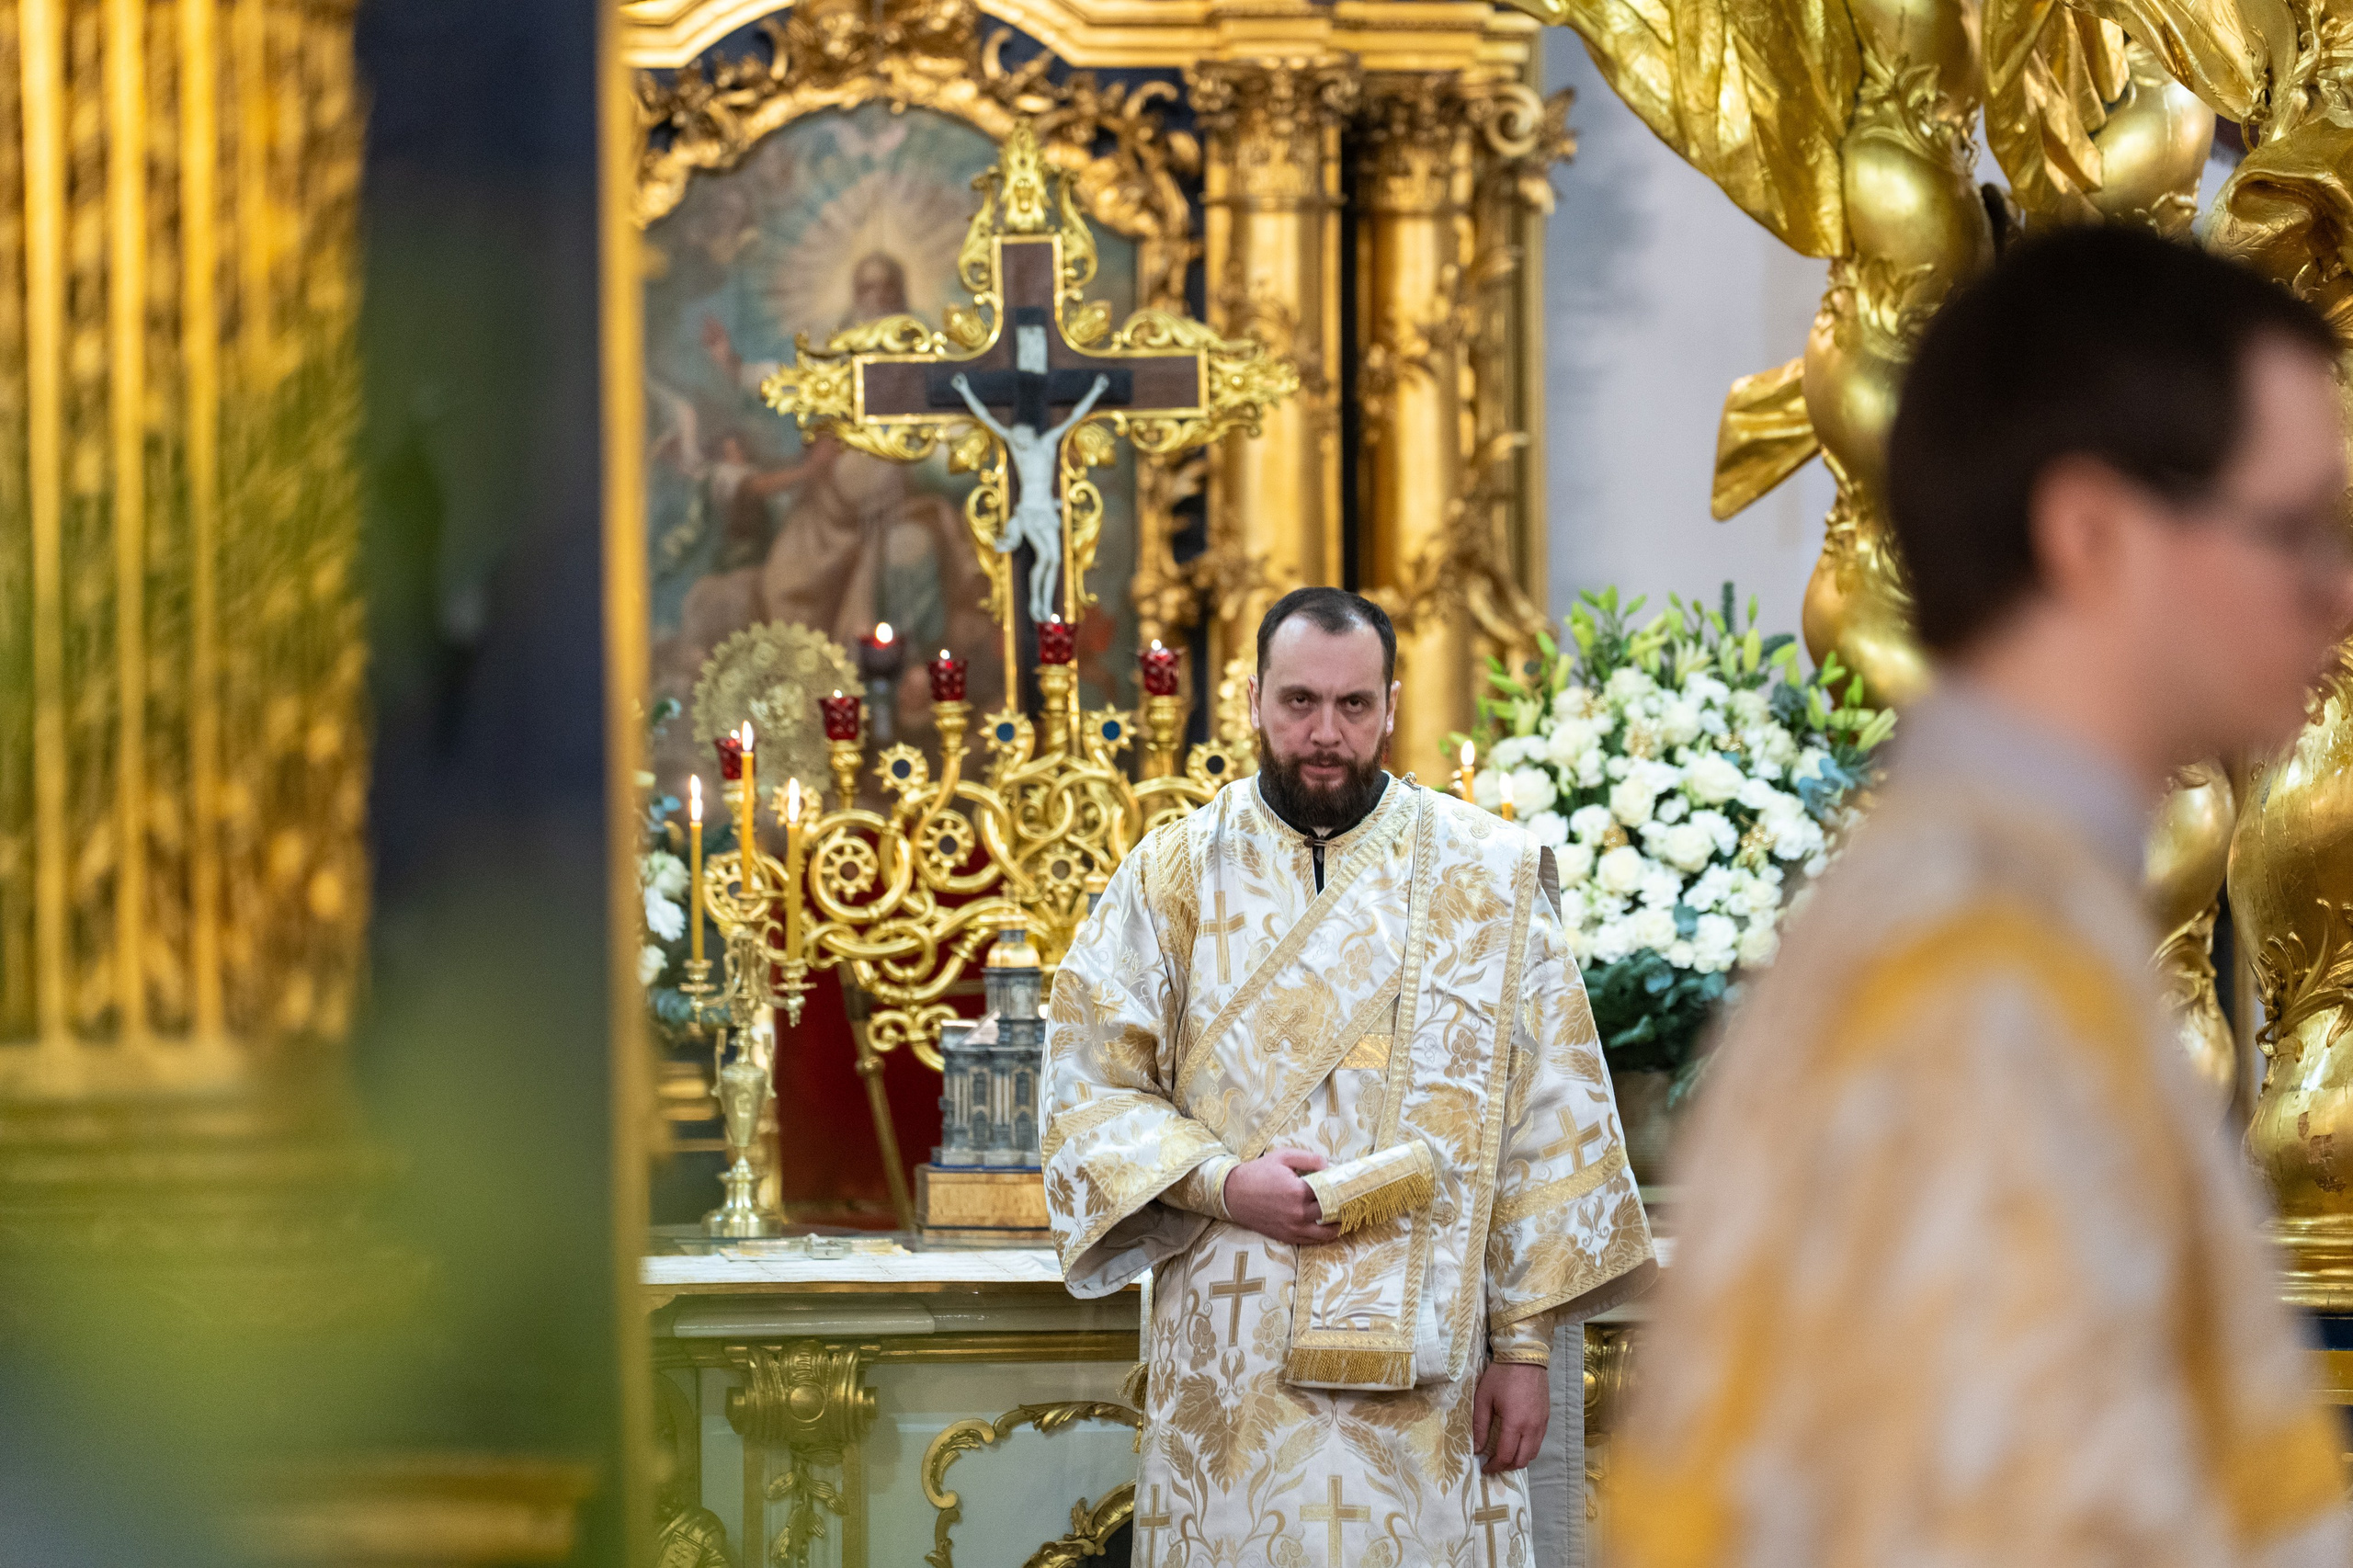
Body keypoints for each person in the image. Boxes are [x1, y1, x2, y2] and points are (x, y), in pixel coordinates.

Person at [1607, 226, 2353, 1565]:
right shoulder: (1978, 979)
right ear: (2093, 534)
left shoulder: (1986, 915)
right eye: (2296, 527)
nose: (2340, 594)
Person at [1044, 587, 1655, 1566]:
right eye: (1297, 702)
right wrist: (1222, 1182)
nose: (1324, 733)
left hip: (1440, 1367)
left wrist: (1527, 1351)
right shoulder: (1171, 874)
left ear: (1392, 705)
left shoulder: (1483, 872)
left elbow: (1549, 1118)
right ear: (1250, 699)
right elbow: (1087, 1086)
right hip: (1233, 1351)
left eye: (1353, 705)